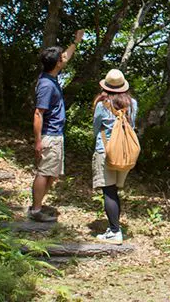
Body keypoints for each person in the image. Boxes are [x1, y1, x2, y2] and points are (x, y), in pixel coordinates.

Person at [28, 29, 85, 223]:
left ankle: (38, 205)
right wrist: (38, 141)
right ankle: (36, 210)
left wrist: (76, 42)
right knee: (45, 172)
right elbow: (38, 113)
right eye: (61, 58)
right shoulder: (46, 85)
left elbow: (66, 57)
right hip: (49, 135)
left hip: (55, 134)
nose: (64, 59)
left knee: (52, 174)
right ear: (56, 64)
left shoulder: (51, 76)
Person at [92, 69, 136, 244]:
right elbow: (132, 124)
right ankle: (114, 227)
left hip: (105, 151)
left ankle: (115, 232)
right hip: (125, 153)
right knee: (115, 191)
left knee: (108, 192)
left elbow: (96, 128)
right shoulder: (132, 103)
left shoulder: (102, 105)